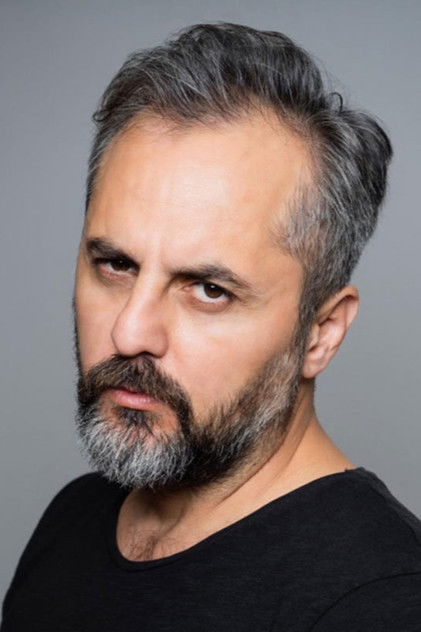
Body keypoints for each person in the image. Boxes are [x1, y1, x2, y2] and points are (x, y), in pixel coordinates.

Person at [2, 21, 420, 632]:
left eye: (209, 290)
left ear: (322, 332)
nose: (130, 333)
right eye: (116, 264)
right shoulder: (75, 518)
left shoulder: (384, 603)